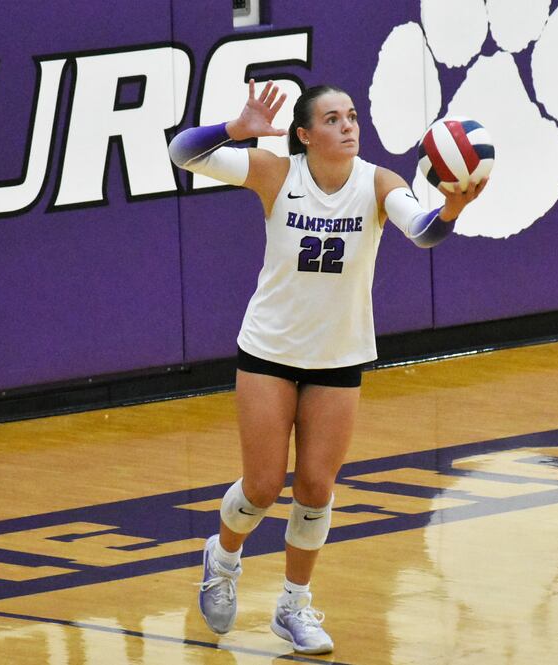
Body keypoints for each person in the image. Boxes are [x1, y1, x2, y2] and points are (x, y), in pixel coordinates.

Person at [168, 79, 486, 655]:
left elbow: (423, 232)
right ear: (305, 134)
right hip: (268, 350)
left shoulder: (378, 183)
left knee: (316, 487)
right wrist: (234, 131)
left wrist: (453, 209)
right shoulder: (275, 172)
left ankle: (293, 606)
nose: (347, 126)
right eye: (333, 119)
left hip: (339, 355)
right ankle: (223, 558)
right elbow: (182, 152)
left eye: (352, 117)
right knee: (263, 487)